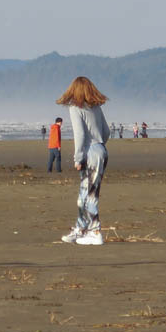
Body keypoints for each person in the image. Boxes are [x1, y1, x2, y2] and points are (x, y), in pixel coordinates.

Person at [58, 77, 110, 245]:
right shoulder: (96, 108)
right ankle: (80, 229)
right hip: (100, 149)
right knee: (83, 195)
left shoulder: (75, 108)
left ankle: (95, 231)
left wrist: (78, 158)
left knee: (90, 194)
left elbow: (79, 135)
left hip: (90, 153)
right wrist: (99, 146)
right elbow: (106, 131)